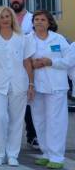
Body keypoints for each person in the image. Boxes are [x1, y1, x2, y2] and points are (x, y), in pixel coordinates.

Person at [0, 6, 34, 167]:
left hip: (19, 83)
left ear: (12, 18)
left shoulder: (23, 37)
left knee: (17, 120)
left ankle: (12, 154)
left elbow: (27, 62)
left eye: (8, 16)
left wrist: (31, 84)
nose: (5, 19)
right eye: (2, 17)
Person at [29, 10, 74, 169]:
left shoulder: (59, 39)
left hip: (56, 86)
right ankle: (46, 153)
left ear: (49, 23)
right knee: (39, 121)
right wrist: (32, 65)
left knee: (56, 122)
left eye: (43, 19)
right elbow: (22, 60)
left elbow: (69, 60)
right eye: (36, 19)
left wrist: (51, 62)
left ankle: (57, 156)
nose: (39, 22)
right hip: (36, 87)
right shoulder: (28, 39)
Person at [6, 0, 38, 149]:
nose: (15, 0)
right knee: (12, 105)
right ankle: (9, 139)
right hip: (8, 68)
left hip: (28, 66)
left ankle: (32, 135)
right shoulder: (5, 18)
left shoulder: (33, 19)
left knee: (30, 104)